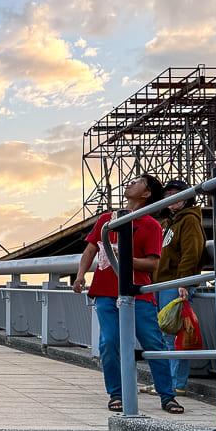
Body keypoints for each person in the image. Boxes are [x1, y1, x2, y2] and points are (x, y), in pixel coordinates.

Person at [72, 174, 184, 414]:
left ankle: (168, 395)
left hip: (138, 293)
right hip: (104, 292)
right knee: (109, 342)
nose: (130, 183)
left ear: (146, 194)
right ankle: (116, 394)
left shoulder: (151, 225)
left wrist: (124, 259)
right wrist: (80, 275)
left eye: (138, 181)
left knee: (153, 344)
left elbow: (154, 264)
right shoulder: (106, 219)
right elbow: (90, 250)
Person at [145, 179, 206, 396]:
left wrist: (184, 282)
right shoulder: (169, 222)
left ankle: (174, 384)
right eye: (167, 193)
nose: (171, 197)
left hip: (175, 283)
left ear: (187, 196)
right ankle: (167, 383)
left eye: (176, 193)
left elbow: (191, 252)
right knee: (166, 334)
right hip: (164, 283)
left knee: (174, 335)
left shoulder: (188, 220)